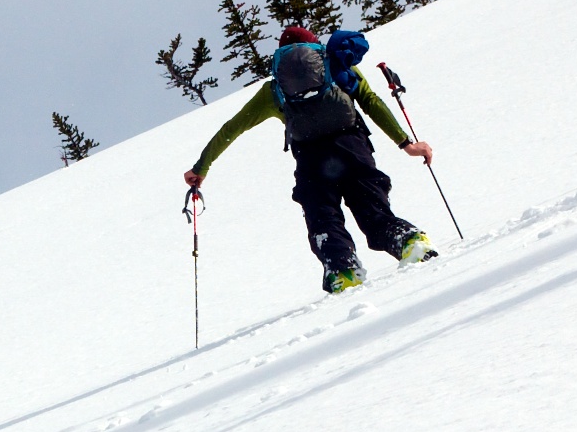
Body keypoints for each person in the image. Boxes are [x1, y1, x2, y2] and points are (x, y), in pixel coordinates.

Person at [183, 26, 437, 293]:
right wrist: (407, 144)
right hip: (353, 147)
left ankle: (343, 271)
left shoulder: (275, 90)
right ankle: (410, 242)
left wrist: (201, 167)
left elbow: (232, 128)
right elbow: (371, 102)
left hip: (311, 159)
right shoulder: (338, 66)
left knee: (323, 219)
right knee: (372, 210)